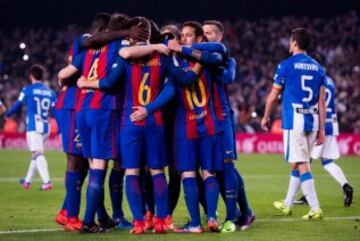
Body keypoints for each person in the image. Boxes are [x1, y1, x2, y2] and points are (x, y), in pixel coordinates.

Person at [261, 28, 326, 220]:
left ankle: (315, 208)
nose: (289, 44)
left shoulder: (286, 66)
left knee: (301, 163)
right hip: (312, 119)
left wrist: (265, 117)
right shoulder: (319, 68)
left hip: (295, 119)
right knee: (296, 163)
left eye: (291, 41)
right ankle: (288, 204)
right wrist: (322, 129)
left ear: (295, 43)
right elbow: (321, 102)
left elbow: (273, 96)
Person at [202, 20, 254, 232]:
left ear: (219, 37)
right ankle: (244, 212)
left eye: (209, 33)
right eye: (202, 33)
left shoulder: (226, 60)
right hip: (203, 120)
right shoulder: (198, 59)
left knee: (227, 166)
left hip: (222, 117)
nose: (204, 36)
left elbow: (228, 77)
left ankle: (234, 215)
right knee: (214, 170)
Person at [295, 73, 353, 207]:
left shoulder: (314, 79)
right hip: (332, 123)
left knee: (304, 160)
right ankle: (346, 185)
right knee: (327, 162)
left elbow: (315, 100)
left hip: (319, 123)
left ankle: (307, 195)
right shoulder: (330, 80)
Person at [3, 64, 56, 191]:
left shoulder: (27, 90)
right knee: (35, 154)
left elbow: (17, 105)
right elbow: (56, 110)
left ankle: (47, 182)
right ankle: (27, 181)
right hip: (46, 127)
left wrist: (6, 114)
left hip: (34, 126)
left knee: (37, 153)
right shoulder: (51, 92)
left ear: (31, 76)